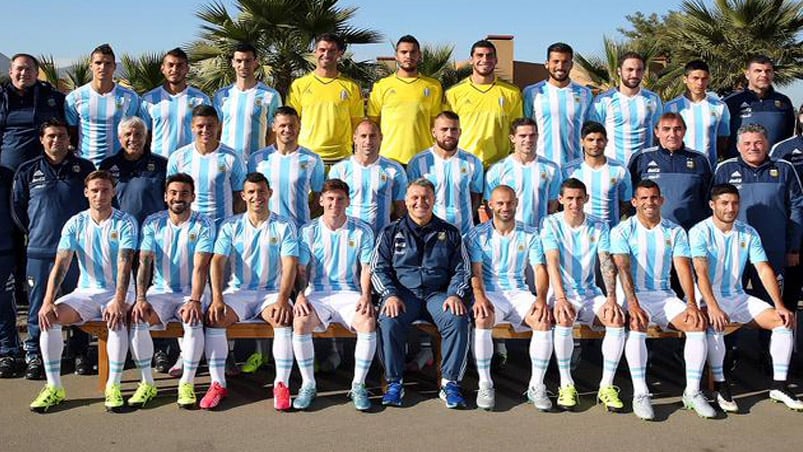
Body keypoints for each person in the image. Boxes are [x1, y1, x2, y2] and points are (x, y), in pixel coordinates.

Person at [29, 170, 138, 413]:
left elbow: (125, 263)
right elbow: (61, 264)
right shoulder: (75, 223)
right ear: (86, 193)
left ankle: (114, 386)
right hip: (86, 292)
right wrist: (47, 301)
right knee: (50, 318)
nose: (100, 195)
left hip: (120, 291)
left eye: (105, 190)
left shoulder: (125, 221)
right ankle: (54, 387)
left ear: (114, 192)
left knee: (115, 318)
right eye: (95, 190)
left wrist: (119, 300)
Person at [690, 183, 803, 412]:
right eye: (724, 203)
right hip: (707, 297)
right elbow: (700, 272)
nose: (730, 208)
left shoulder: (748, 232)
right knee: (715, 323)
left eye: (734, 203)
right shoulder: (699, 231)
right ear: (712, 205)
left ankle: (779, 385)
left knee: (783, 321)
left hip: (738, 296)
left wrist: (779, 305)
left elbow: (763, 269)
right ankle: (720, 386)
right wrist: (712, 306)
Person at [611, 180, 715, 420]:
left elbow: (682, 268)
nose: (650, 202)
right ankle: (640, 392)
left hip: (664, 295)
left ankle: (692, 392)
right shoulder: (621, 230)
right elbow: (623, 269)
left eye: (654, 197)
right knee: (637, 323)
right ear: (635, 202)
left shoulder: (675, 231)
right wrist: (633, 303)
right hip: (634, 295)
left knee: (696, 323)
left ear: (661, 200)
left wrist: (691, 302)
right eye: (644, 198)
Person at [371, 178, 471, 408]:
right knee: (388, 319)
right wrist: (389, 294)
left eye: (426, 197)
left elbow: (462, 269)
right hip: (404, 295)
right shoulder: (390, 231)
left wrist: (455, 293)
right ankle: (394, 382)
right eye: (415, 197)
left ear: (434, 200)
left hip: (438, 294)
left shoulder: (450, 232)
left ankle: (450, 383)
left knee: (458, 319)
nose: (420, 202)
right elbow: (379, 268)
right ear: (405, 201)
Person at [203, 172, 298, 410]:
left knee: (282, 319)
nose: (257, 197)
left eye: (262, 192)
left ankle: (281, 384)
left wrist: (284, 300)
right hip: (239, 292)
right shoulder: (231, 225)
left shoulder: (284, 225)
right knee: (216, 318)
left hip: (271, 293)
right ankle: (217, 383)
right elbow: (217, 262)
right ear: (243, 195)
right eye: (252, 192)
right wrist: (217, 298)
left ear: (270, 194)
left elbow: (290, 265)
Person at [12, 120, 95, 380]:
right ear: (41, 139)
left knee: (77, 303)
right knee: (40, 305)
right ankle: (36, 354)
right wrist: (37, 232)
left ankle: (80, 351)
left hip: (76, 252)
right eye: (50, 136)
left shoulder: (84, 168)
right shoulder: (27, 170)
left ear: (68, 139)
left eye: (61, 136)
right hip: (40, 251)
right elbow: (18, 209)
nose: (56, 141)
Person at [540, 178, 626, 412]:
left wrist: (611, 298)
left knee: (616, 319)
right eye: (569, 198)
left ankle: (607, 386)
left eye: (579, 198)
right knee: (564, 317)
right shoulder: (550, 223)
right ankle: (566, 384)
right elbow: (552, 262)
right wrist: (560, 298)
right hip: (561, 293)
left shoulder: (599, 226)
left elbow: (606, 262)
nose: (574, 203)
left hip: (589, 293)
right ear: (560, 200)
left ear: (587, 199)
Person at [128, 173, 214, 408]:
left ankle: (187, 383)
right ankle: (147, 383)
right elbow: (144, 262)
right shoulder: (153, 222)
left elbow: (201, 266)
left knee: (192, 318)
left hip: (191, 291)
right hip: (161, 291)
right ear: (166, 197)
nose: (179, 198)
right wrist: (141, 297)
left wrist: (195, 300)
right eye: (174, 193)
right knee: (138, 317)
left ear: (193, 197)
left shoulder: (203, 223)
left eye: (184, 193)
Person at [292, 179, 376, 411]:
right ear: (321, 201)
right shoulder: (308, 230)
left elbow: (366, 267)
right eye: (330, 199)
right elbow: (300, 270)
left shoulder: (362, 230)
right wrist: (299, 295)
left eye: (340, 199)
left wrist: (366, 296)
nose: (334, 204)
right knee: (300, 322)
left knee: (368, 322)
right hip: (317, 293)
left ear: (348, 201)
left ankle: (358, 385)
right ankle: (308, 385)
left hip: (349, 293)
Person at [465, 185, 551, 410]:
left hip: (520, 292)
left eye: (509, 202)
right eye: (500, 203)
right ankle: (485, 384)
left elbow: (540, 269)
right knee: (482, 318)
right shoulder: (477, 234)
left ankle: (536, 385)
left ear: (516, 204)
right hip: (491, 293)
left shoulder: (530, 233)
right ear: (490, 205)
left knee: (542, 319)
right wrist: (480, 297)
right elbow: (475, 271)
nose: (505, 207)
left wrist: (540, 299)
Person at [712, 123, 803, 299]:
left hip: (773, 250)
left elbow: (797, 209)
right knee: (729, 303)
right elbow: (713, 210)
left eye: (758, 143)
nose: (753, 147)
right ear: (738, 146)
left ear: (767, 144)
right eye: (747, 143)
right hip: (733, 251)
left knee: (772, 303)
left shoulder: (784, 168)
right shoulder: (725, 169)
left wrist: (793, 248)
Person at [287, 33, 364, 164]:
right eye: (322, 50)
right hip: (307, 156)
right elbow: (292, 122)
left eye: (332, 50)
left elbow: (356, 124)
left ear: (340, 53)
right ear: (314, 52)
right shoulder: (299, 85)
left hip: (342, 158)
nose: (326, 54)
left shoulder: (351, 87)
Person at [445, 39, 523, 167]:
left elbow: (517, 129)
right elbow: (446, 130)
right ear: (471, 60)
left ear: (496, 60)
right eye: (480, 55)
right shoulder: (453, 93)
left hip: (499, 165)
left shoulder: (512, 93)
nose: (485, 59)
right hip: (463, 163)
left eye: (489, 55)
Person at [628, 113, 712, 231]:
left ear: (684, 131)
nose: (672, 134)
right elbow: (629, 198)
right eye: (666, 129)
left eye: (677, 129)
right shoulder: (641, 158)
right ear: (657, 132)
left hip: (690, 232)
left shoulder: (700, 160)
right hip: (650, 232)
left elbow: (709, 200)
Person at [167, 105, 246, 229]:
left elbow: (240, 196)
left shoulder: (232, 157)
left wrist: (237, 227)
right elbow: (171, 195)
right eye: (200, 126)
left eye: (210, 126)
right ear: (192, 127)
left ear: (218, 126)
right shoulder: (178, 157)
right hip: (190, 226)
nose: (205, 130)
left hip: (222, 226)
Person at [368, 35, 443, 165]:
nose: (408, 56)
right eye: (404, 52)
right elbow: (372, 125)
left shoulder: (433, 86)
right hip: (388, 158)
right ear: (396, 56)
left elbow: (436, 125)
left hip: (423, 158)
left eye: (413, 52)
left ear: (419, 55)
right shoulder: (381, 86)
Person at [65, 44, 142, 167]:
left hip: (120, 165)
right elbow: (72, 133)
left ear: (114, 66)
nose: (103, 67)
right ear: (91, 66)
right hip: (86, 165)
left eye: (108, 63)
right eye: (98, 63)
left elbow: (133, 130)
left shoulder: (130, 97)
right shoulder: (75, 97)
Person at [407, 111, 483, 235]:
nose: (449, 134)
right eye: (444, 129)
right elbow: (411, 200)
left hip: (464, 234)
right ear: (434, 132)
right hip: (429, 234)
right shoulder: (418, 162)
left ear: (460, 132)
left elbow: (476, 198)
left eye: (454, 130)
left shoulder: (472, 162)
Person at [248, 106, 325, 228]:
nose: (287, 130)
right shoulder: (257, 159)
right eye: (282, 125)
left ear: (299, 126)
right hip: (265, 230)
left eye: (291, 125)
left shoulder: (313, 160)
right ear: (273, 126)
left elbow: (319, 200)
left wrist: (305, 223)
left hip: (298, 231)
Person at [329, 119, 408, 235]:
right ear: (354, 138)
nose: (368, 141)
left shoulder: (394, 170)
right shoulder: (339, 169)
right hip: (348, 236)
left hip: (381, 238)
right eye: (363, 136)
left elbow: (400, 208)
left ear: (381, 138)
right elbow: (331, 207)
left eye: (372, 136)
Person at [522, 42, 593, 167]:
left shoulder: (585, 93)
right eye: (556, 61)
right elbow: (524, 128)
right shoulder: (531, 92)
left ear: (571, 65)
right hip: (541, 165)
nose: (560, 66)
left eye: (565, 62)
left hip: (575, 165)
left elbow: (589, 130)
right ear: (546, 64)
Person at [485, 118, 560, 228]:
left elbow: (552, 206)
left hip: (539, 234)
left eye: (532, 135)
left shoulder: (551, 169)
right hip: (510, 235)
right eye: (522, 136)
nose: (528, 139)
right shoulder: (497, 169)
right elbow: (490, 206)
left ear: (537, 136)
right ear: (512, 138)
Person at [589, 52, 662, 164]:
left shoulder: (653, 99)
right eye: (630, 69)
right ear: (619, 71)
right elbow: (592, 134)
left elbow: (659, 133)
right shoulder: (604, 100)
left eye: (639, 70)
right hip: (613, 167)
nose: (634, 74)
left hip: (643, 167)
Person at [213, 43, 281, 160]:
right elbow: (216, 129)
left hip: (256, 163)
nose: (243, 65)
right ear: (233, 63)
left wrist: (266, 158)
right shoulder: (221, 95)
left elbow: (273, 132)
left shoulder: (270, 95)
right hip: (227, 162)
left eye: (248, 61)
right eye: (239, 61)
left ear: (256, 62)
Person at [141, 48, 212, 158]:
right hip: (159, 164)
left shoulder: (200, 99)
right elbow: (145, 134)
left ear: (187, 69)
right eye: (170, 65)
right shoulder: (149, 99)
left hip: (190, 162)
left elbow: (208, 133)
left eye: (179, 65)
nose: (174, 69)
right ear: (163, 68)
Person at [0, 53, 65, 171]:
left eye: (28, 69)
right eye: (19, 69)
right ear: (11, 72)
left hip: (45, 170)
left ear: (37, 73)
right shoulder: (2, 98)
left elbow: (69, 129)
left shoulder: (54, 98)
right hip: (7, 171)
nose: (24, 73)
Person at [99, 116, 167, 226]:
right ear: (119, 138)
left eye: (138, 134)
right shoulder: (107, 165)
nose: (133, 139)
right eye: (128, 134)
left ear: (146, 137)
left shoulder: (162, 164)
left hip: (152, 230)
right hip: (118, 230)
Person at [562, 121, 631, 228]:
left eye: (600, 140)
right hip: (578, 232)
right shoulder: (568, 170)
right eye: (590, 140)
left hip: (608, 233)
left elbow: (626, 202)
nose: (595, 144)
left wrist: (609, 222)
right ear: (582, 142)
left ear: (606, 142)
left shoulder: (619, 170)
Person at [724, 55, 795, 159]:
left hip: (776, 166)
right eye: (758, 71)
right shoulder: (730, 102)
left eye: (768, 71)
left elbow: (789, 136)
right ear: (747, 74)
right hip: (740, 168)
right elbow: (722, 140)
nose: (764, 75)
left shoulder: (784, 101)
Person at [664, 60, 730, 168]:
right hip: (679, 167)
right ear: (685, 79)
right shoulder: (671, 107)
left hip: (708, 169)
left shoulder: (720, 106)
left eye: (704, 79)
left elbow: (723, 140)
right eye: (695, 78)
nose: (700, 83)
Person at [0, 164, 21, 377]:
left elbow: (18, 212)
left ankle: (8, 352)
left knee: (4, 304)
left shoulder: (6, 175)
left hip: (3, 249)